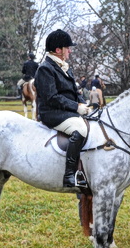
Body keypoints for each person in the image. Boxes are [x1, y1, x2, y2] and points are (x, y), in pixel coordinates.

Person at [35, 29, 91, 189]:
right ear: (58, 50)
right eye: (68, 48)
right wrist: (76, 107)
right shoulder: (45, 68)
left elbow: (74, 92)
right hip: (52, 113)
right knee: (80, 130)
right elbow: (51, 97)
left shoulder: (65, 67)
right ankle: (69, 175)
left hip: (67, 111)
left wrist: (84, 105)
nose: (70, 51)